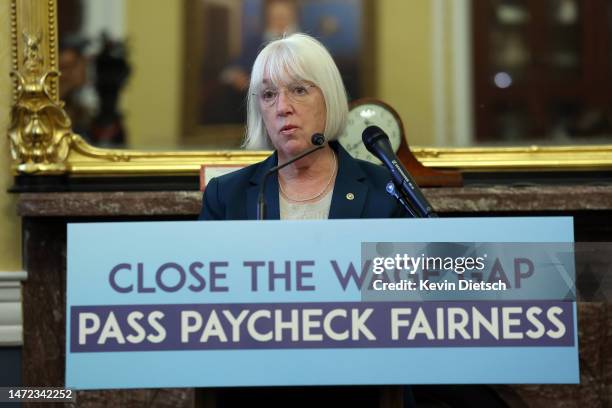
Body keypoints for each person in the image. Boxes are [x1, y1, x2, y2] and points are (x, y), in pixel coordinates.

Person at [199, 33, 408, 221]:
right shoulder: (225, 196)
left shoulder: (387, 189)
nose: (282, 108)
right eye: (269, 94)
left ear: (329, 97)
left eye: (298, 90)